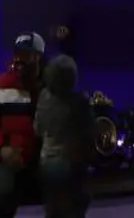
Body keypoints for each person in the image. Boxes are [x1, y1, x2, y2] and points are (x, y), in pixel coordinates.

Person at [0, 32, 47, 218]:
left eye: (27, 55)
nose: (20, 60)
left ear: (38, 57)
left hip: (40, 157)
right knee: (4, 191)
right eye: (18, 54)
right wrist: (0, 150)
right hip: (6, 157)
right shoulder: (2, 86)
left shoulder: (48, 88)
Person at [36, 54, 96, 218]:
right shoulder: (79, 103)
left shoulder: (43, 98)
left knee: (54, 206)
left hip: (46, 164)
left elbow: (38, 129)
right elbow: (89, 136)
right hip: (70, 165)